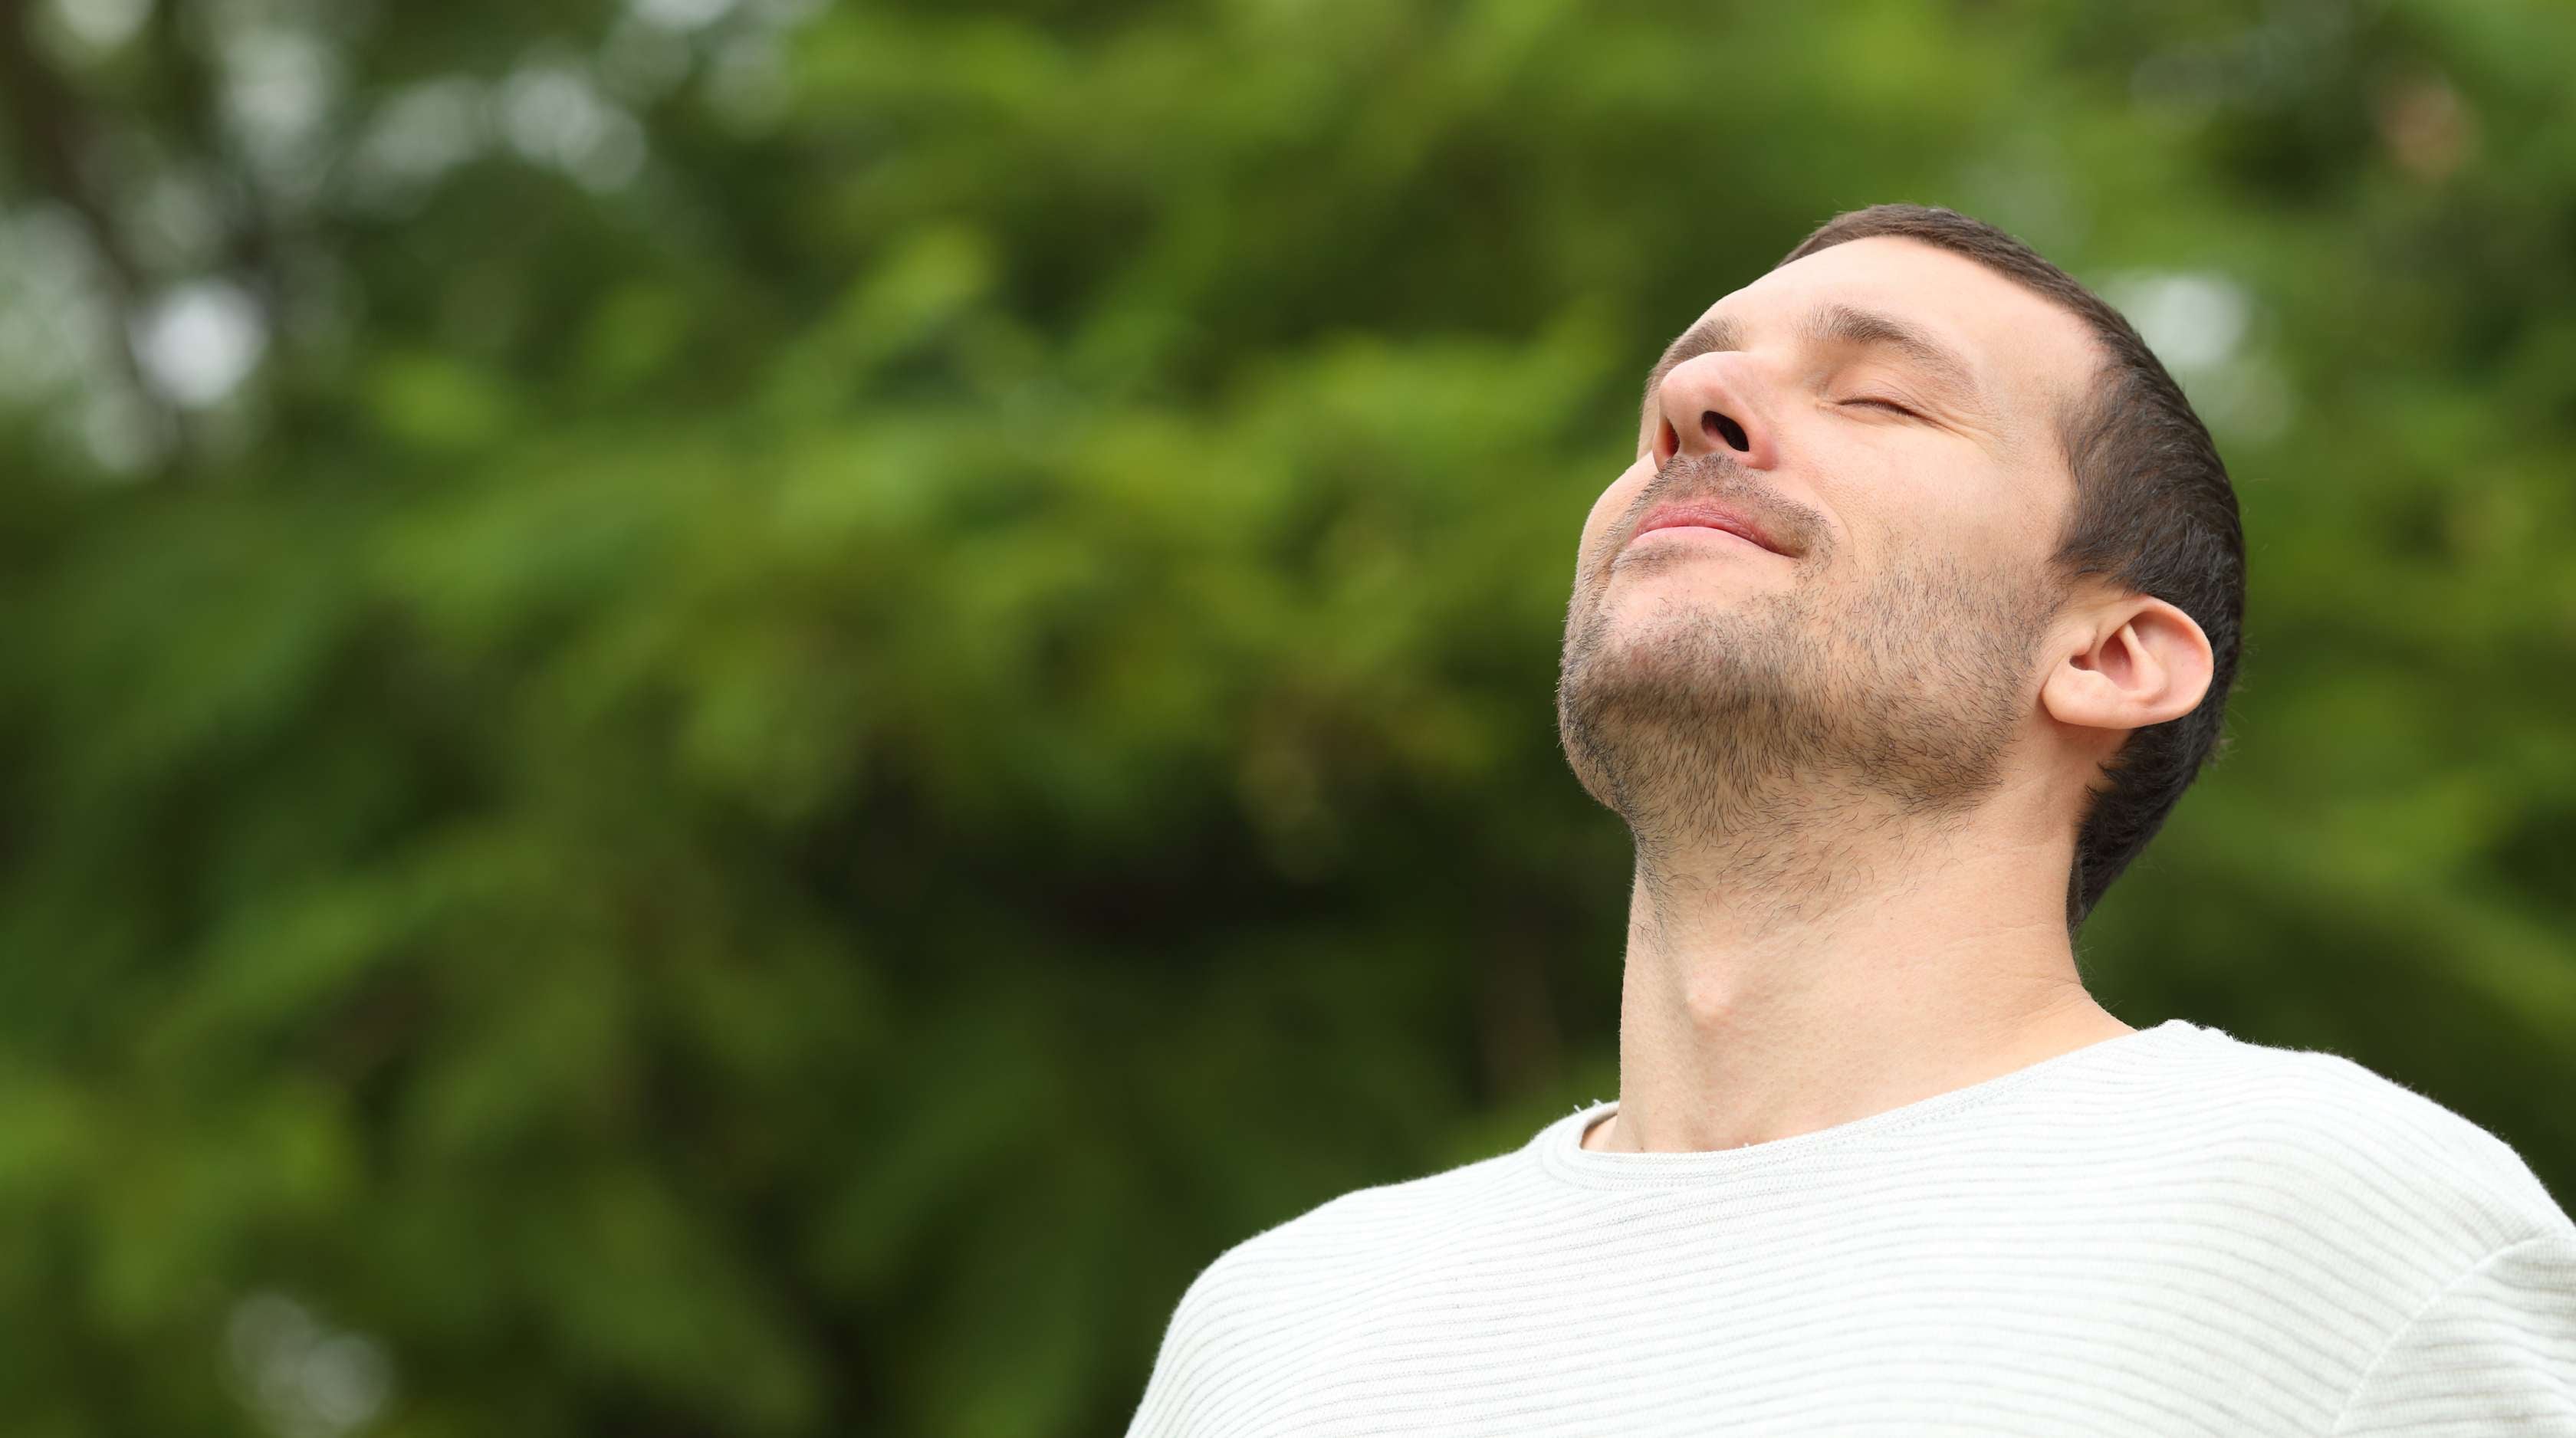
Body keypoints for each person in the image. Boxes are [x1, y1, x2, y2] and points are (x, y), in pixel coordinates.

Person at [1119, 204, 2576, 1436]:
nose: (1694, 414)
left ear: (2111, 657)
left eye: (1878, 397)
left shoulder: (2345, 1231)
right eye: (1673, 406)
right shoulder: (1273, 1331)